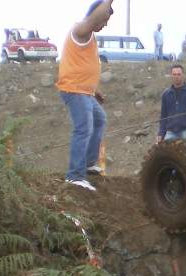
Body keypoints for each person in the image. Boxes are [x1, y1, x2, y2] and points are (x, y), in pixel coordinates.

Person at [56, 0, 114, 192]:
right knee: (84, 128)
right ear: (96, 15)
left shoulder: (89, 37)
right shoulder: (81, 30)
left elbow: (81, 65)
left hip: (85, 91)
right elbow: (95, 17)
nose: (105, 24)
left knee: (99, 119)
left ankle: (89, 163)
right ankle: (74, 175)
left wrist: (95, 90)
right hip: (74, 90)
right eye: (105, 19)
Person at [156, 64, 186, 143]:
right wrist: (161, 133)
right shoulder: (166, 94)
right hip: (170, 132)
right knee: (163, 152)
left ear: (183, 75)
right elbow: (163, 116)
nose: (176, 77)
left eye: (179, 74)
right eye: (174, 74)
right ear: (171, 76)